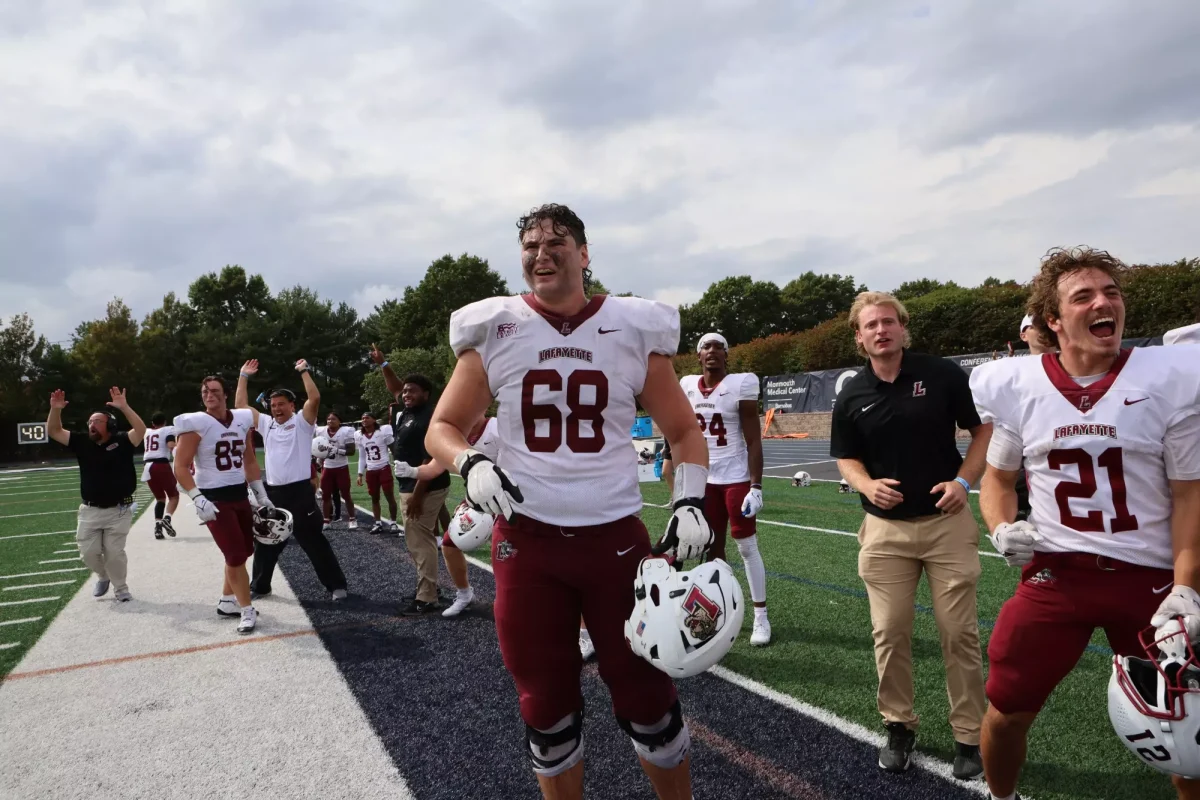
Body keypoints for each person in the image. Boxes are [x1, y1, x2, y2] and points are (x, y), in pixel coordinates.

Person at [426, 203, 714, 800]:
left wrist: (690, 501)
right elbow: (443, 427)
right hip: (527, 545)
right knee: (546, 707)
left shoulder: (632, 327)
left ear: (585, 254)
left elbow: (685, 431)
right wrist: (470, 461)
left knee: (647, 701)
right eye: (530, 245)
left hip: (616, 541)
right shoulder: (495, 328)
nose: (541, 253)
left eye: (557, 242)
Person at [970, 247, 1200, 800]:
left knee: (1187, 726)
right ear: (1054, 320)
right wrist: (1001, 527)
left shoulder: (1167, 377)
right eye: (1084, 296)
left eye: (1112, 292)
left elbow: (1190, 497)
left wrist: (1187, 586)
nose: (1104, 303)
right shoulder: (1022, 387)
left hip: (1148, 581)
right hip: (1057, 577)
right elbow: (998, 482)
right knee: (1004, 710)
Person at [830, 290, 990, 779]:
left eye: (888, 322)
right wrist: (864, 484)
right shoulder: (852, 393)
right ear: (859, 337)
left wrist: (965, 481)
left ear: (902, 328)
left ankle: (969, 735)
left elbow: (982, 430)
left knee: (959, 634)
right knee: (890, 634)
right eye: (870, 325)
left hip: (946, 526)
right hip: (884, 534)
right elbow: (846, 456)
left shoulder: (941, 374)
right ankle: (899, 725)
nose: (881, 330)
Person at [682, 331, 771, 646]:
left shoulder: (741, 384)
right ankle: (713, 613)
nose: (713, 351)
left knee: (747, 546)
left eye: (720, 346)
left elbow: (753, 440)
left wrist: (756, 486)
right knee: (712, 548)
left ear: (727, 354)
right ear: (698, 355)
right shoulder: (688, 386)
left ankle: (761, 617)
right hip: (705, 480)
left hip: (735, 478)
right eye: (706, 346)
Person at [235, 359, 349, 602]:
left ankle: (336, 585)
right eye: (273, 405)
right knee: (266, 542)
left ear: (292, 405)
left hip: (300, 493)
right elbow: (241, 407)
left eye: (281, 404)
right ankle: (261, 586)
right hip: (273, 492)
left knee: (314, 542)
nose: (277, 409)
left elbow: (314, 399)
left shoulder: (301, 422)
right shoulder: (266, 424)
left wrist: (304, 371)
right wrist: (243, 377)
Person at [173, 375, 267, 634]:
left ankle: (227, 601)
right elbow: (180, 466)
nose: (209, 395)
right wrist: (197, 497)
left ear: (225, 394)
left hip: (238, 492)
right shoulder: (196, 423)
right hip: (213, 498)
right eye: (205, 391)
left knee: (245, 550)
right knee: (235, 555)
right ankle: (246, 609)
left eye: (214, 390)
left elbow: (248, 458)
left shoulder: (241, 419)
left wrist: (260, 492)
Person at [367, 349, 451, 615]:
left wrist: (417, 494)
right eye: (405, 392)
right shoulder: (407, 411)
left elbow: (431, 460)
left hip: (424, 486)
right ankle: (428, 588)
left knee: (419, 540)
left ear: (426, 394)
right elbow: (394, 386)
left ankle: (427, 597)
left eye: (412, 391)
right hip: (409, 484)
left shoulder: (430, 418)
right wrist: (384, 364)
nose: (406, 394)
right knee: (418, 539)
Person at [46, 387, 146, 602]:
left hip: (119, 510)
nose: (92, 424)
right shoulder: (82, 442)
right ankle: (102, 575)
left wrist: (125, 407)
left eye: (97, 421)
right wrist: (55, 410)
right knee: (88, 554)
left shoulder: (122, 440)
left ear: (109, 425)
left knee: (114, 553)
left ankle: (121, 589)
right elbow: (54, 431)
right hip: (90, 510)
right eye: (90, 421)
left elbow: (141, 430)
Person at [396, 413, 500, 617]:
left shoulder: (498, 428)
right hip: (477, 500)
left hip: (509, 501)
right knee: (449, 544)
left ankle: (512, 599)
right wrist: (413, 472)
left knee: (505, 553)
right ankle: (464, 594)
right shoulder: (455, 436)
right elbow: (434, 468)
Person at [355, 412, 400, 534]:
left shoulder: (383, 432)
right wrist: (360, 474)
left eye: (367, 417)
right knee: (374, 498)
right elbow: (362, 456)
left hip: (383, 468)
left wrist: (398, 463)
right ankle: (378, 523)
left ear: (374, 420)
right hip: (371, 471)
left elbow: (393, 449)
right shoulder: (360, 436)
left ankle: (393, 522)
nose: (364, 419)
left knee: (389, 496)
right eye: (363, 417)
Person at [316, 411, 357, 529]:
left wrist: (337, 450)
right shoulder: (322, 431)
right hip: (328, 467)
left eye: (333, 419)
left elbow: (351, 451)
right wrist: (319, 459)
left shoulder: (346, 431)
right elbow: (320, 447)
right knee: (325, 495)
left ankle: (352, 518)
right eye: (328, 419)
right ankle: (326, 520)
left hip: (341, 467)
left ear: (339, 421)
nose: (330, 421)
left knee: (346, 494)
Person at [142, 412, 179, 539]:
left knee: (160, 499)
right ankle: (167, 519)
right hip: (161, 465)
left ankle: (157, 528)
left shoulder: (147, 431)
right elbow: (170, 445)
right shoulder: (168, 430)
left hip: (147, 467)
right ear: (164, 422)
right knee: (174, 496)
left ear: (152, 423)